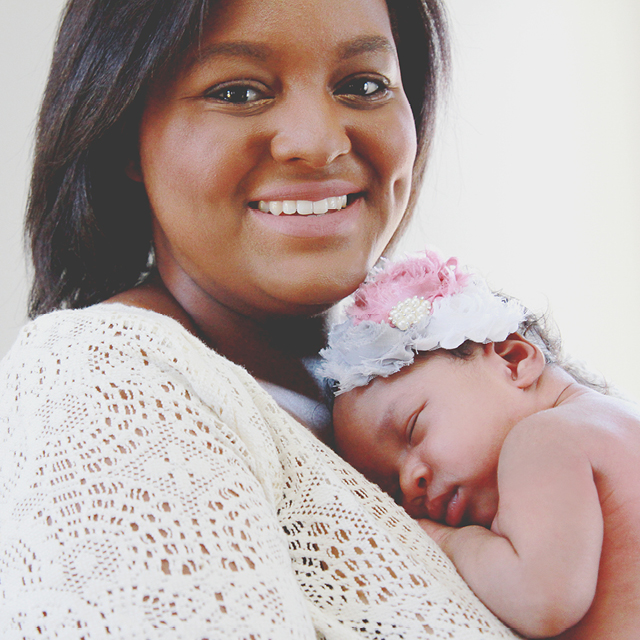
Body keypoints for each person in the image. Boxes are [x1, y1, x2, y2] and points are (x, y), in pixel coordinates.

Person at [0, 0, 523, 637]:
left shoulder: (411, 387)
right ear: (122, 135)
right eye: (239, 91)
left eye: (363, 85)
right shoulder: (103, 381)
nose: (320, 142)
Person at [322, 248, 640, 639]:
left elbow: (542, 600)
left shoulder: (543, 438)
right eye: (388, 487)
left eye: (414, 428)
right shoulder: (612, 423)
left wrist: (449, 541)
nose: (408, 483)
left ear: (513, 359)